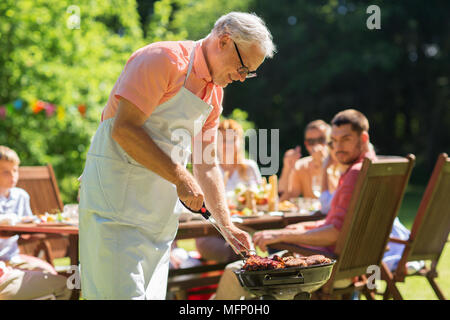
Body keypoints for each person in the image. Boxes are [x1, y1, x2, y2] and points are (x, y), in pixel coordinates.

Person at [78, 12, 276, 299]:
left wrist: (226, 224)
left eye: (249, 73)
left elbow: (206, 165)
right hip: (115, 211)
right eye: (243, 68)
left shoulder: (214, 94)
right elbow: (123, 130)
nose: (242, 79)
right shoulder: (161, 58)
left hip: (158, 220)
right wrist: (180, 176)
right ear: (224, 41)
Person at [214, 109, 374, 299]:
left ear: (363, 138)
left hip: (325, 268)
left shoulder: (355, 174)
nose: (338, 147)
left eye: (345, 139)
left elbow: (335, 232)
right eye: (335, 140)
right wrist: (292, 230)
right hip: (354, 266)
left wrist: (280, 234)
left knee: (237, 273)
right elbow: (334, 224)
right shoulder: (370, 169)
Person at [0, 146, 71, 300]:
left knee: (48, 271)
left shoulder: (21, 196)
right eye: (6, 171)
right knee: (64, 283)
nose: (13, 175)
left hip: (13, 257)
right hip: (2, 266)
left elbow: (27, 225)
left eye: (15, 170)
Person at [195, 119, 262, 263]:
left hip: (246, 227)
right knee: (239, 252)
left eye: (233, 140)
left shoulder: (250, 167)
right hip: (211, 232)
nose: (228, 145)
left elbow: (261, 200)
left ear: (240, 142)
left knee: (246, 246)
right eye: (223, 140)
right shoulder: (207, 170)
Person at [279, 120, 331, 201]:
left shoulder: (339, 163)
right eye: (311, 142)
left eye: (321, 140)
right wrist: (287, 168)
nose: (316, 145)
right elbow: (284, 199)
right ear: (306, 145)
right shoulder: (301, 166)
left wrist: (324, 164)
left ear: (330, 141)